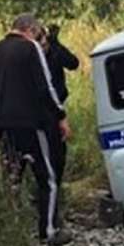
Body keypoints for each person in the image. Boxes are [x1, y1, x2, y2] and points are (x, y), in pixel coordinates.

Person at [0, 14, 72, 246]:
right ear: (30, 30)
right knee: (48, 178)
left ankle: (12, 231)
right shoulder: (30, 49)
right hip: (31, 123)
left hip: (4, 125)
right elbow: (45, 86)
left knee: (12, 178)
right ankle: (49, 230)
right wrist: (60, 115)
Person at [37, 24, 79, 225]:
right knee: (48, 160)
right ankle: (48, 212)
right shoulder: (32, 58)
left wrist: (56, 44)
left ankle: (56, 202)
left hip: (58, 109)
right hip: (41, 113)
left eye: (46, 42)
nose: (44, 46)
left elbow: (73, 63)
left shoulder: (53, 52)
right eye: (42, 43)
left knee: (59, 158)